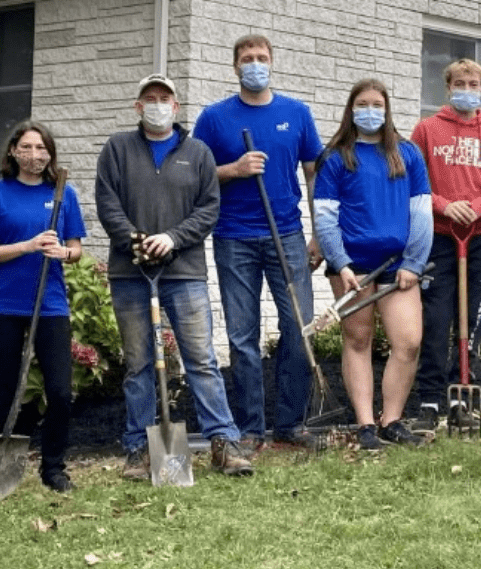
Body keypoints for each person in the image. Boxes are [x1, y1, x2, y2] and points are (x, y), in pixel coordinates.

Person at [96, 74, 253, 480]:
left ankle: (224, 442)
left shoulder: (198, 153)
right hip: (130, 272)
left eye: (165, 98)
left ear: (177, 107)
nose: (157, 104)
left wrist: (171, 238)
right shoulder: (117, 149)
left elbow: (208, 209)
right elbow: (107, 202)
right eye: (149, 98)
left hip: (184, 273)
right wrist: (136, 240)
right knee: (138, 364)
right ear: (137, 107)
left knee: (201, 360)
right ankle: (138, 449)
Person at [190, 33, 328, 452]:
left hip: (286, 234)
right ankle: (250, 428)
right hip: (234, 238)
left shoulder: (297, 113)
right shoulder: (214, 118)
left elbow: (313, 175)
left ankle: (291, 423)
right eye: (247, 58)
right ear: (235, 67)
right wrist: (233, 168)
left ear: (273, 62)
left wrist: (319, 233)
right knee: (242, 335)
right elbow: (195, 175)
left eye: (261, 57)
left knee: (298, 328)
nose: (255, 64)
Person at [314, 78, 433, 451]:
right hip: (352, 269)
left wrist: (414, 262)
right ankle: (366, 424)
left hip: (399, 267)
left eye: (377, 104)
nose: (370, 111)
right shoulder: (335, 157)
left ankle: (392, 420)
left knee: (408, 342)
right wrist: (342, 262)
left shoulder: (408, 154)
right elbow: (325, 217)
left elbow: (422, 212)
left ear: (387, 109)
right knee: (358, 339)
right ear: (351, 110)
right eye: (362, 104)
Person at [0, 120, 88, 493]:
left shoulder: (62, 195)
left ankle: (54, 467)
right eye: (27, 147)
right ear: (12, 151)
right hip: (5, 304)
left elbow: (76, 250)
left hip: (50, 304)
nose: (35, 155)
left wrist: (62, 252)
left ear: (50, 154)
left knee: (59, 391)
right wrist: (28, 245)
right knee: (4, 388)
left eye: (42, 149)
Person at [408, 58, 481, 432]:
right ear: (448, 87)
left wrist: (476, 207)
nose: (467, 89)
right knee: (435, 320)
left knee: (473, 318)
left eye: (474, 83)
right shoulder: (426, 130)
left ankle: (461, 396)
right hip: (439, 236)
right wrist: (445, 205)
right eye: (460, 83)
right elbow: (413, 182)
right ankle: (429, 398)